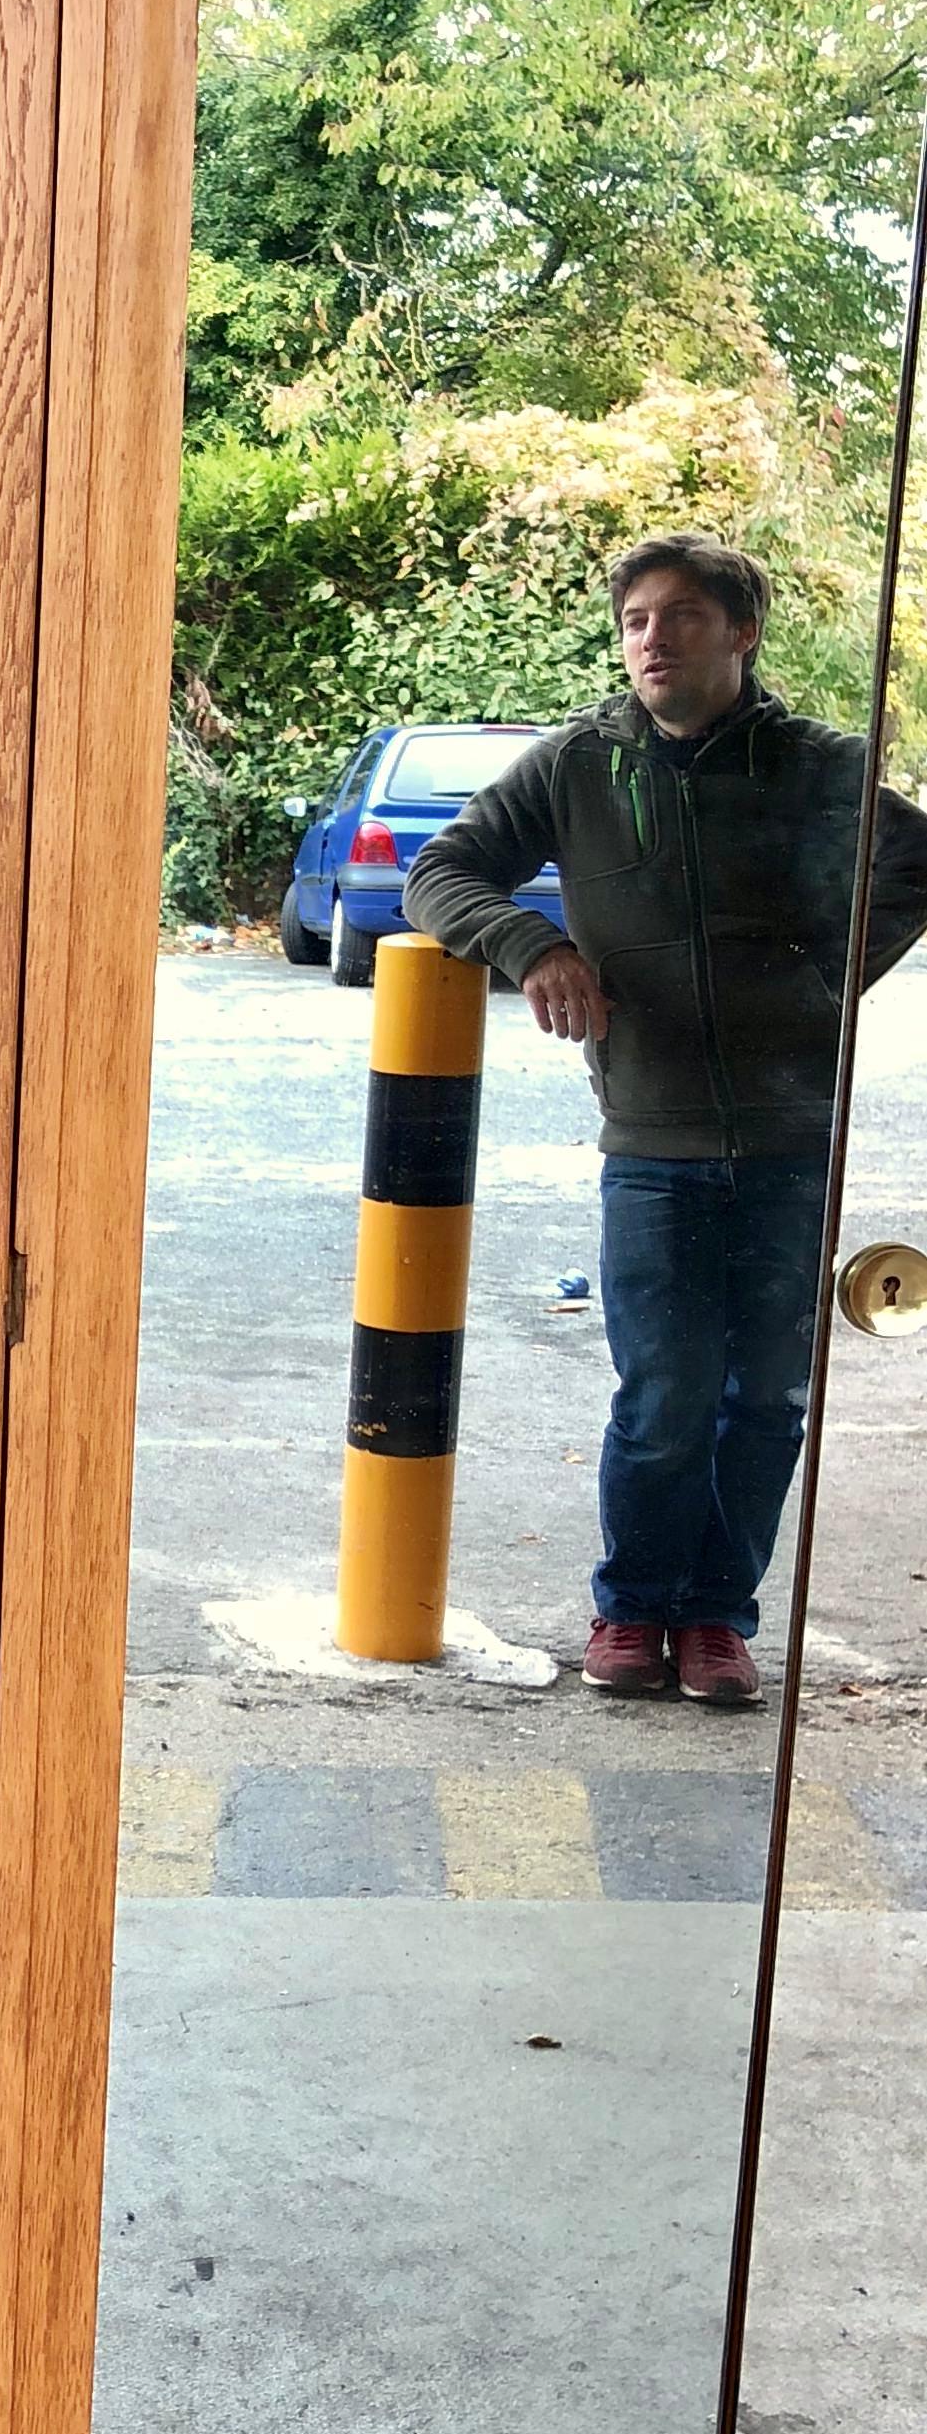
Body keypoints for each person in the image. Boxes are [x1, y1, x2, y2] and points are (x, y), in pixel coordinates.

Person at [403, 532, 927, 1707]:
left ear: (739, 633)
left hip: (793, 1138)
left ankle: (715, 1619)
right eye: (636, 618)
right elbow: (441, 871)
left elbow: (914, 864)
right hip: (649, 1138)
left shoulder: (811, 765)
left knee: (765, 1398)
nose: (652, 638)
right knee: (662, 1391)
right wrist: (531, 944)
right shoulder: (580, 765)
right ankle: (630, 1608)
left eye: (681, 615)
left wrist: (822, 978)